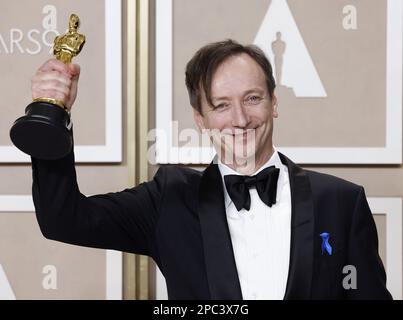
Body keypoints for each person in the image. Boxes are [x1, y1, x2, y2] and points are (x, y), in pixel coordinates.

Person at [30, 39, 392, 300]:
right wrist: (52, 114)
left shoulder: (342, 201)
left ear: (274, 103)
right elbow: (63, 219)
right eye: (221, 105)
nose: (240, 119)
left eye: (253, 98)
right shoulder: (168, 200)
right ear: (200, 120)